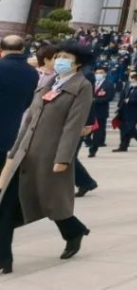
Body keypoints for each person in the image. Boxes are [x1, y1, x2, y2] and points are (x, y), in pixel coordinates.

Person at [0, 43, 94, 274]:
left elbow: (73, 125)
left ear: (78, 62)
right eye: (58, 56)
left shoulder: (82, 87)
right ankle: (4, 259)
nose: (60, 60)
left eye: (66, 57)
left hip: (50, 156)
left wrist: (63, 158)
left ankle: (73, 230)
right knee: (6, 208)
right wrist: (15, 150)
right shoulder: (49, 83)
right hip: (26, 154)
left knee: (51, 203)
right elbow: (29, 119)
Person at [0, 36, 38, 163]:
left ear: (1, 49)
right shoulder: (32, 72)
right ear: (22, 49)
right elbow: (29, 100)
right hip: (10, 126)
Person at [113, 71, 137, 152]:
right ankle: (123, 146)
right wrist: (119, 107)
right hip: (124, 110)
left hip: (135, 111)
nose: (132, 82)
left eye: (134, 81)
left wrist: (131, 100)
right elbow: (123, 96)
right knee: (123, 128)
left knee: (130, 127)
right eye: (131, 81)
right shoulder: (129, 86)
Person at [87, 65, 115, 158]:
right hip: (90, 110)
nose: (98, 74)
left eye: (101, 73)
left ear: (105, 74)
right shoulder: (91, 83)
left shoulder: (108, 84)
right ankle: (88, 141)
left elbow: (109, 97)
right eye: (97, 73)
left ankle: (94, 147)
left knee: (98, 130)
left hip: (101, 111)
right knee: (88, 128)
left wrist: (96, 100)